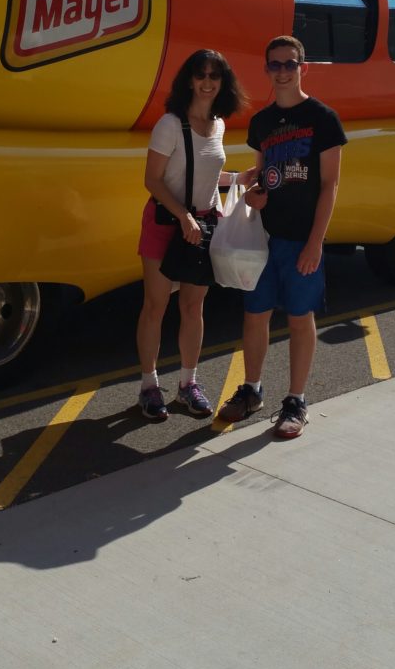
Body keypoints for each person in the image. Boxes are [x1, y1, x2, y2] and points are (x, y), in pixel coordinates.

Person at [217, 35, 346, 439]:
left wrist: (315, 242)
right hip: (265, 239)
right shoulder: (262, 122)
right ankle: (252, 389)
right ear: (267, 70)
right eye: (276, 64)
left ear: (303, 67)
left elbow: (330, 186)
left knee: (299, 317)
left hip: (300, 239)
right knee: (254, 315)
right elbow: (261, 178)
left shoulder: (323, 119)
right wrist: (255, 198)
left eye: (291, 64)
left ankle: (296, 400)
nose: (284, 71)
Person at [136, 49, 254, 421]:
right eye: (200, 75)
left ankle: (188, 384)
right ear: (189, 79)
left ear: (223, 83)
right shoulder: (170, 124)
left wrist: (236, 179)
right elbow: (152, 180)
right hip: (166, 223)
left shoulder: (217, 124)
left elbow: (201, 174)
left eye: (214, 77)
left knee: (193, 307)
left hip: (201, 226)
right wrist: (183, 216)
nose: (207, 83)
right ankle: (149, 385)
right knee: (156, 306)